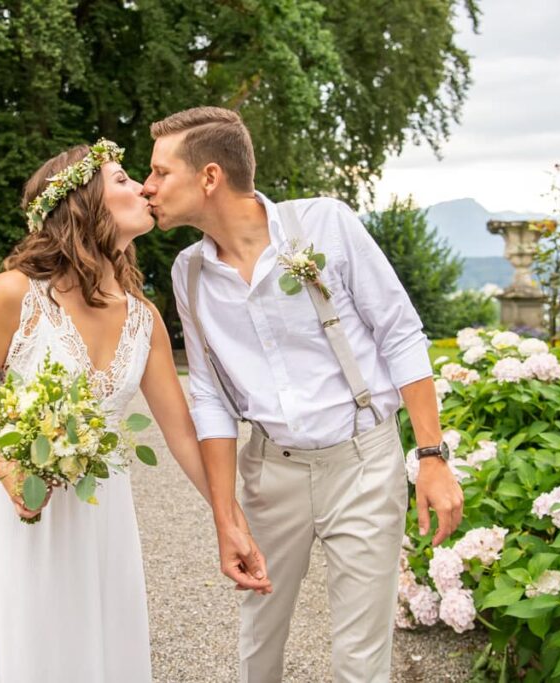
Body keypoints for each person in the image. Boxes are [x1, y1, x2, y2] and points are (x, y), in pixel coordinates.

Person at [142, 107, 464, 683]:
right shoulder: (187, 273)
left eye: (160, 172)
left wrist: (432, 457)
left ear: (209, 177)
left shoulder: (326, 224)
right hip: (272, 470)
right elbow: (212, 398)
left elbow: (400, 332)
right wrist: (225, 516)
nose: (147, 188)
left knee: (361, 659)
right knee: (258, 643)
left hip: (364, 463)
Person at [0, 140, 250, 682]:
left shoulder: (145, 319)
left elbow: (182, 434)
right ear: (83, 203)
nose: (143, 188)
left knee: (113, 660)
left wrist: (228, 520)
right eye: (123, 179)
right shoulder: (14, 294)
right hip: (31, 518)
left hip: (107, 519)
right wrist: (9, 465)